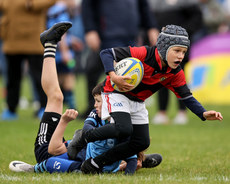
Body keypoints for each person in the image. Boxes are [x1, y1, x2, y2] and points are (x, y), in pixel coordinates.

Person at [67, 24, 223, 174]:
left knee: (142, 142)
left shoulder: (175, 72)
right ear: (163, 47)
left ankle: (96, 163)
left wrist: (202, 113)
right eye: (177, 51)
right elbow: (106, 53)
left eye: (183, 52)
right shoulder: (143, 53)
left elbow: (186, 97)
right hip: (116, 92)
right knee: (123, 128)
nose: (181, 56)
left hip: (138, 101)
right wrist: (114, 75)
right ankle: (84, 136)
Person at [9, 22, 162, 174]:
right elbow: (54, 149)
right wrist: (64, 121)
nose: (95, 105)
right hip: (49, 150)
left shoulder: (119, 115)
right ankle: (49, 44)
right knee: (56, 97)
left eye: (98, 101)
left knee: (57, 98)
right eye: (95, 101)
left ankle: (139, 159)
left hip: (68, 153)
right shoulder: (98, 116)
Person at [80, 0, 159, 119]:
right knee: (95, 70)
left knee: (127, 75)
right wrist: (90, 29)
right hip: (106, 35)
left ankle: (124, 112)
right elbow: (87, 5)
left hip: (131, 36)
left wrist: (151, 27)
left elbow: (143, 5)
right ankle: (94, 110)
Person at [147, 0, 205, 125]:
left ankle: (182, 112)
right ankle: (162, 112)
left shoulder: (188, 3)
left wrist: (181, 36)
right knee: (161, 77)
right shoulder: (156, 3)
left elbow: (197, 20)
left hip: (180, 48)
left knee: (179, 77)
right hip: (161, 47)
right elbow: (150, 21)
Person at [0, 0, 57, 120]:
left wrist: (31, 4)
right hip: (12, 37)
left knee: (39, 76)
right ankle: (11, 109)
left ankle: (44, 107)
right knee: (12, 77)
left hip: (33, 38)